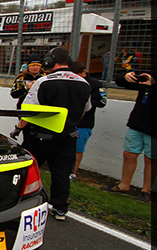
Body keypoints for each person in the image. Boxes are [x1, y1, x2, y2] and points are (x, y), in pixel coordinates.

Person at [12, 47, 91, 221]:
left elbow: (29, 111)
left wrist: (18, 128)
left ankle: (18, 202)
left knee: (26, 168)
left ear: (49, 62)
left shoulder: (44, 82)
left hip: (41, 135)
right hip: (69, 135)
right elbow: (85, 110)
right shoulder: (83, 83)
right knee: (62, 173)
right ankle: (60, 208)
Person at [101, 70, 154, 203]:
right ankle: (124, 185)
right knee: (129, 154)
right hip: (137, 123)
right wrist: (125, 77)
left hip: (153, 128)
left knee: (151, 159)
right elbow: (121, 82)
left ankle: (146, 190)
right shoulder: (147, 75)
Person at [69, 61, 107, 180]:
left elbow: (102, 102)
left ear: (84, 72)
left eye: (77, 75)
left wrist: (84, 103)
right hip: (69, 121)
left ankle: (73, 172)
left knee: (78, 148)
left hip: (84, 123)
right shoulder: (70, 82)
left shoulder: (95, 84)